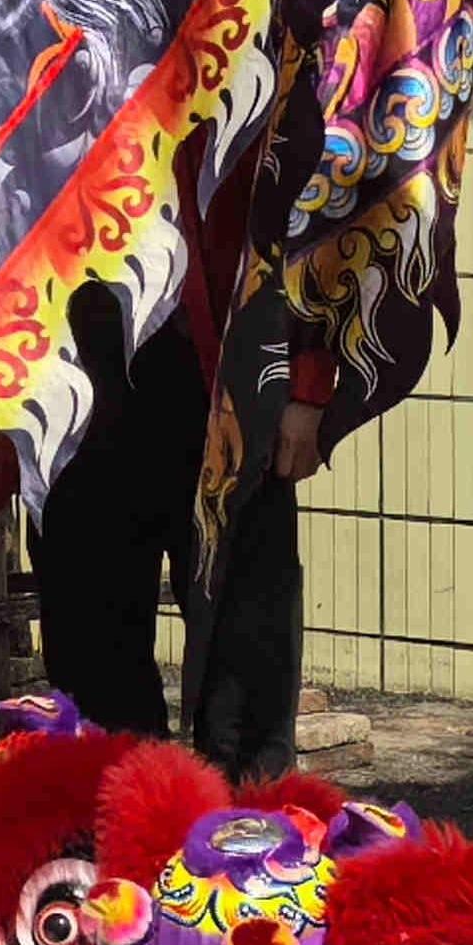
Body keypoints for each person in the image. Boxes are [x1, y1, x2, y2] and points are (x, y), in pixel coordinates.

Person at [18, 284, 209, 738]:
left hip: (201, 341)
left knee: (229, 626)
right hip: (65, 341)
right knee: (93, 644)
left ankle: (244, 799)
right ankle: (114, 779)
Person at [180, 295, 331, 782]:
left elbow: (312, 236)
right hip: (91, 369)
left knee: (249, 668)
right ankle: (103, 845)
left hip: (240, 368)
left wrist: (307, 384)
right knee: (99, 683)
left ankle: (255, 848)